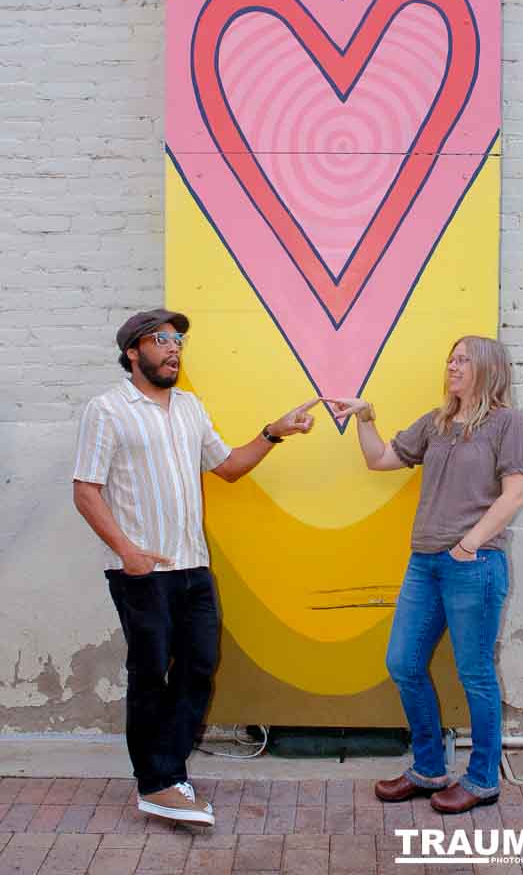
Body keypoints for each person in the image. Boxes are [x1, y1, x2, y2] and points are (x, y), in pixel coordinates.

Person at [73, 308, 318, 826]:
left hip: (193, 568)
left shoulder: (189, 407)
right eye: (160, 340)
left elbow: (227, 467)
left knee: (200, 668)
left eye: (178, 340)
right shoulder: (109, 409)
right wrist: (127, 551)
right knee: (149, 676)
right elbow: (86, 490)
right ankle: (156, 783)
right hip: (142, 573)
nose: (173, 348)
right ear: (133, 352)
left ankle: (168, 772)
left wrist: (274, 433)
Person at [326, 336, 523, 814]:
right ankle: (428, 769)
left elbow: (515, 495)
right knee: (403, 662)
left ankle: (482, 779)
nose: (453, 366)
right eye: (451, 359)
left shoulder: (509, 424)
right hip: (425, 564)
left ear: (488, 368)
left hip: (474, 564)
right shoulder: (437, 424)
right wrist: (365, 418)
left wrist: (469, 543)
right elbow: (379, 459)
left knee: (475, 674)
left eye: (463, 359)